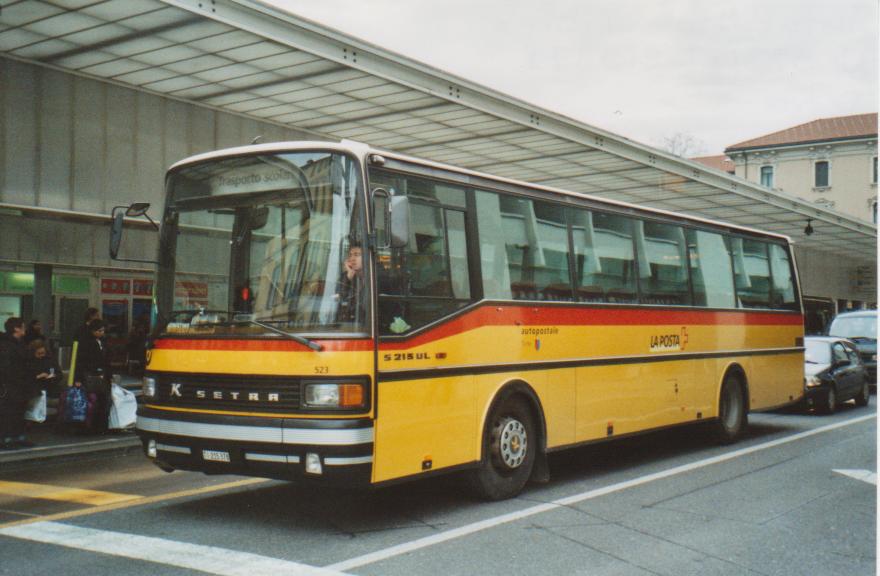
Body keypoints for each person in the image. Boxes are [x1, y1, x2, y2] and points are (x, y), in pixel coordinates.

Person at [0, 317, 34, 449]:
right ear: (16, 328)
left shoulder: (18, 343)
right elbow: (8, 367)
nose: (25, 329)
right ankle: (8, 438)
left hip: (19, 384)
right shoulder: (8, 345)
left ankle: (17, 437)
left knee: (18, 411)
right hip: (12, 384)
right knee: (11, 411)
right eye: (23, 327)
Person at [74, 319, 109, 433]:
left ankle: (101, 426)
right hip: (91, 375)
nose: (102, 333)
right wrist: (78, 378)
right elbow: (80, 361)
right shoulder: (86, 343)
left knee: (102, 401)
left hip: (102, 375)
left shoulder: (102, 341)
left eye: (103, 330)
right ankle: (92, 426)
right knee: (93, 401)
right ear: (93, 331)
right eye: (100, 330)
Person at [337, 244, 364, 322]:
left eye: (356, 255)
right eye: (350, 255)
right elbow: (338, 297)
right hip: (349, 322)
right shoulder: (346, 276)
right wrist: (348, 278)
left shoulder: (377, 275)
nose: (352, 259)